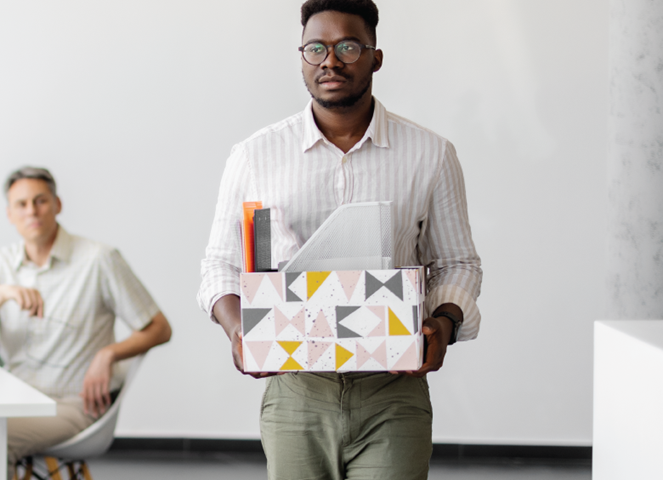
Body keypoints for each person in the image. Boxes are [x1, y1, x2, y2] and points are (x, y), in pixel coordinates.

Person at [197, 1, 483, 478]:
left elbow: (457, 262)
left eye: (348, 46)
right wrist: (236, 330)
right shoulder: (255, 155)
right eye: (316, 48)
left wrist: (445, 324)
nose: (330, 60)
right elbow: (220, 264)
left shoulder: (430, 154)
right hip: (296, 388)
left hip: (392, 389)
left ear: (375, 57)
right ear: (302, 56)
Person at [0, 167, 173, 480]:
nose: (32, 211)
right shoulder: (0, 265)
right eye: (21, 204)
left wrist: (108, 354)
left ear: (57, 205)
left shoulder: (98, 259)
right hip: (13, 398)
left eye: (40, 201)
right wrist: (0, 295)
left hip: (72, 406)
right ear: (9, 214)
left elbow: (159, 327)